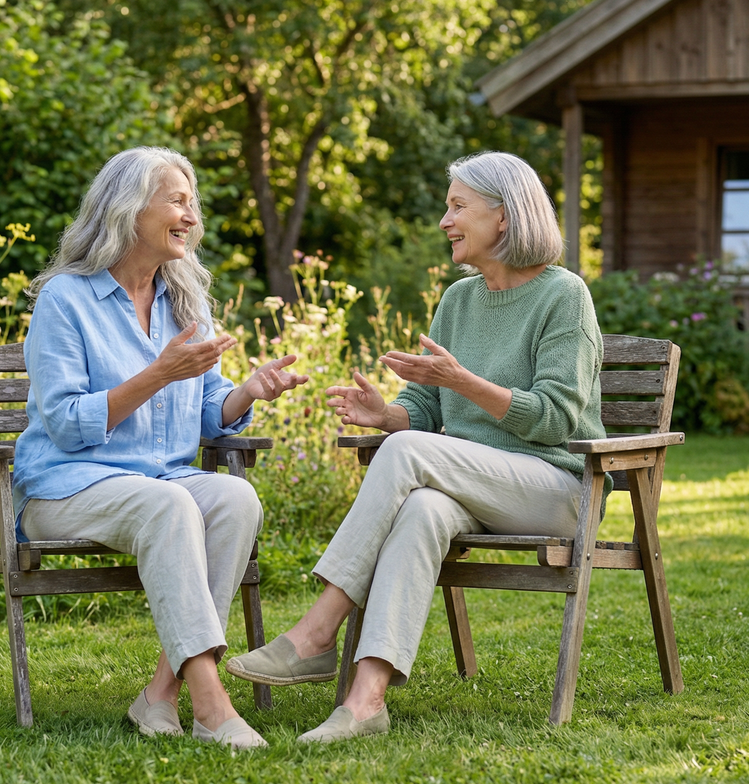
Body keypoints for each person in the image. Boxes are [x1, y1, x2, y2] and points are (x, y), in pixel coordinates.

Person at [226, 151, 609, 742]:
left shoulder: (564, 296)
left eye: (458, 207)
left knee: (404, 455)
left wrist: (463, 382)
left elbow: (557, 419)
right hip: (473, 486)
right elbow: (426, 411)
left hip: (556, 487)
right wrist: (388, 414)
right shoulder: (459, 299)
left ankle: (316, 634)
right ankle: (366, 700)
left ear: (503, 218)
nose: (444, 220)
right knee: (423, 506)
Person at [13, 146, 307, 750]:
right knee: (171, 505)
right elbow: (67, 425)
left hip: (159, 484)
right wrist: (159, 374)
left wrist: (247, 390)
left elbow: (205, 409)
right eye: (177, 200)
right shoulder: (65, 300)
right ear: (128, 210)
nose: (191, 215)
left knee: (233, 497)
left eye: (192, 203)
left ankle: (159, 695)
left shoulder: (182, 301)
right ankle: (211, 705)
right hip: (68, 486)